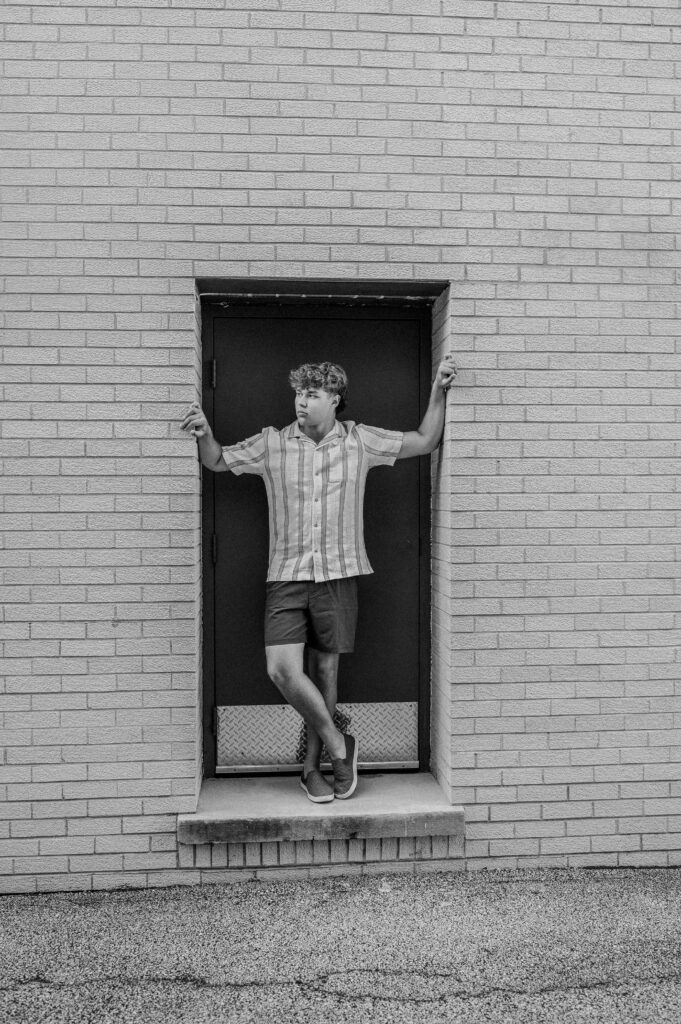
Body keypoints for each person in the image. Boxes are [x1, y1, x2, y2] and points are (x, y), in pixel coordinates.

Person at [180, 354, 457, 804]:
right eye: (298, 393)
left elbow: (426, 440)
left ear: (335, 399)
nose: (301, 402)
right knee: (283, 670)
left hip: (339, 573)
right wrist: (204, 432)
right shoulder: (272, 443)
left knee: (325, 674)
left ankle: (312, 769)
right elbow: (215, 461)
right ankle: (338, 745)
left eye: (311, 394)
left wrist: (438, 390)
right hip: (286, 576)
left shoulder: (360, 441)